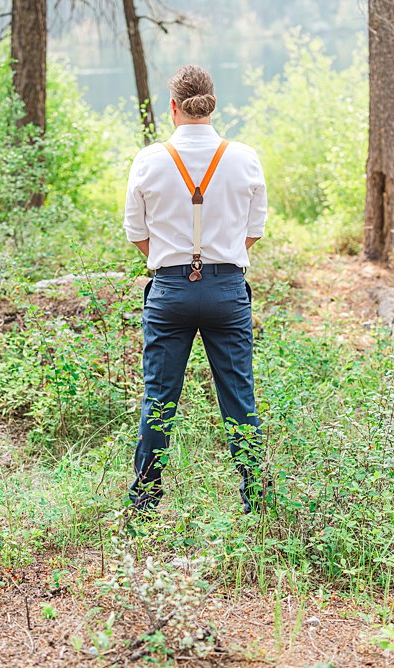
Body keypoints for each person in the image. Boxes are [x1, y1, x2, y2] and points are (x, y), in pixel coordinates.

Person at [122, 64, 269, 513]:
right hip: (226, 289)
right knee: (238, 393)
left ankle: (145, 500)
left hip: (169, 292)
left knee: (159, 396)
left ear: (173, 108)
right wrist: (219, 255)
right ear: (212, 105)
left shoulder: (149, 159)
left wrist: (169, 258)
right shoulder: (243, 157)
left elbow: (136, 232)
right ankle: (257, 500)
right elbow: (254, 230)